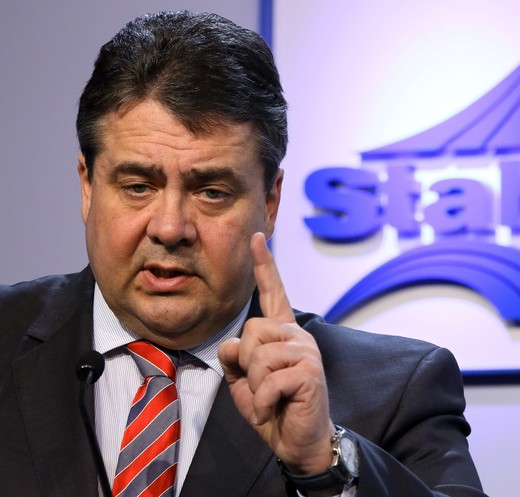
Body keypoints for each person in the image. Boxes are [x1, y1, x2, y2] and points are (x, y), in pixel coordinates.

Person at [0, 10, 486, 497]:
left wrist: (323, 462)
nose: (170, 228)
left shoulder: (395, 389)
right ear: (87, 186)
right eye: (137, 186)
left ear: (270, 203)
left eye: (211, 192)